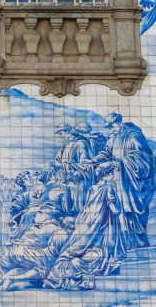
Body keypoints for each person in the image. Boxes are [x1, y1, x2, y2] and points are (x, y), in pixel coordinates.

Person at [45, 162, 125, 290]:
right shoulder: (108, 189)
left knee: (75, 252)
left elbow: (87, 209)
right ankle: (68, 271)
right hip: (98, 233)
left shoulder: (92, 188)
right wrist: (119, 205)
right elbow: (115, 210)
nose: (114, 176)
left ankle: (58, 274)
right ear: (107, 174)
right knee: (97, 257)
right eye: (112, 173)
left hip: (85, 227)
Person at [85, 112, 156, 250]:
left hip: (134, 185)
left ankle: (139, 244)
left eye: (111, 126)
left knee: (134, 216)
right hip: (120, 182)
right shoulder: (113, 138)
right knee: (120, 213)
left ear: (119, 122)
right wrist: (93, 160)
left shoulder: (133, 136)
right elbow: (107, 153)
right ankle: (126, 244)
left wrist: (117, 163)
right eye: (108, 127)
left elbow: (145, 159)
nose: (110, 129)